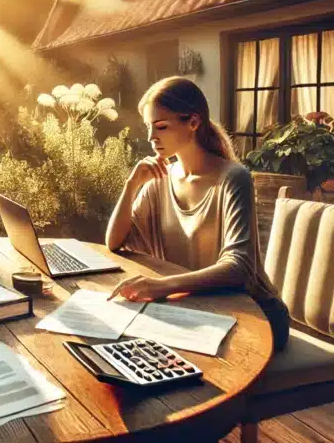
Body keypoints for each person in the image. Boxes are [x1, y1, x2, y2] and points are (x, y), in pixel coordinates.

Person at [105, 76, 290, 352]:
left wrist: (160, 287)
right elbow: (115, 242)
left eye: (162, 126)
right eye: (148, 127)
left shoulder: (233, 177)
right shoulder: (160, 178)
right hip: (199, 308)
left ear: (193, 122)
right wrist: (131, 185)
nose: (151, 138)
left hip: (255, 316)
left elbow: (238, 267)